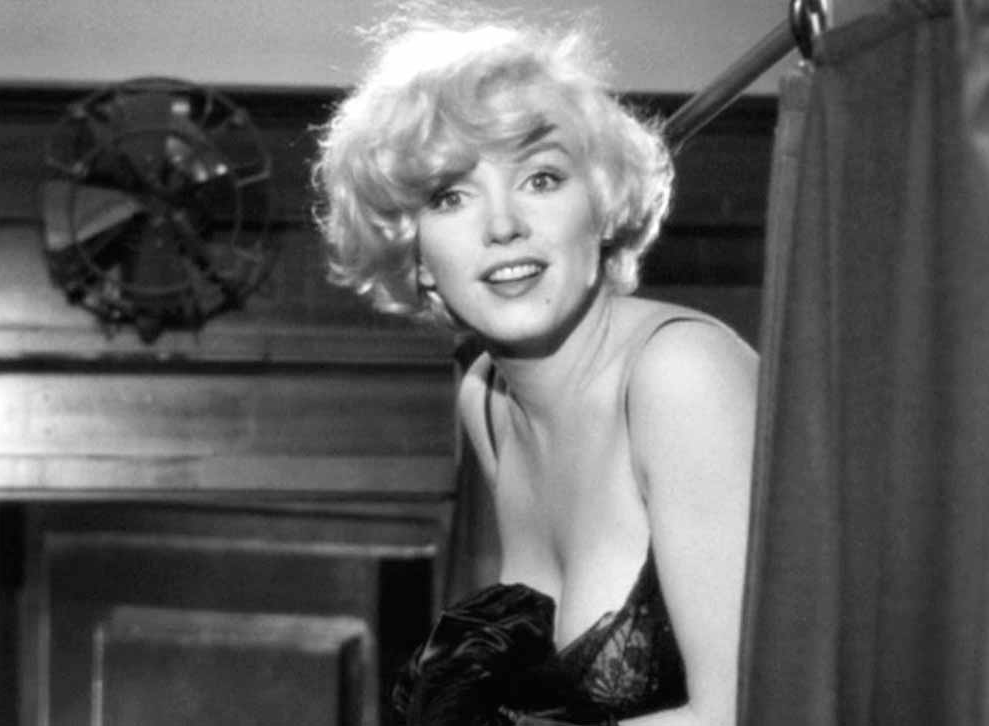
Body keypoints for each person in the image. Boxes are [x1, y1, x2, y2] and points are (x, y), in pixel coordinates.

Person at [314, 5, 757, 725]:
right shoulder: (486, 401)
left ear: (603, 206)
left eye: (542, 179)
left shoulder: (682, 375)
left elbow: (750, 712)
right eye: (450, 196)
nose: (502, 225)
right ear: (416, 257)